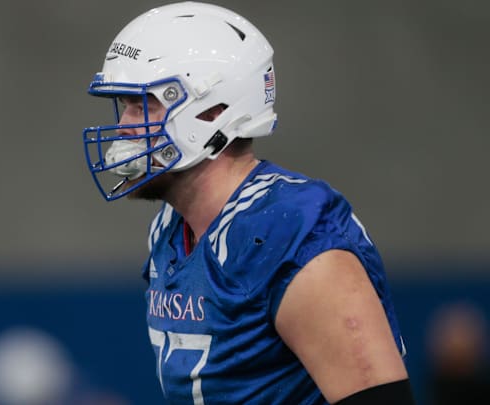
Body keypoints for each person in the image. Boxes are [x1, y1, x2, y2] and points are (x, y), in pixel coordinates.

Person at [81, 2, 414, 404]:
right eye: (124, 107)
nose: (124, 127)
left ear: (212, 110)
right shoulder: (172, 228)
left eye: (142, 104)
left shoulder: (290, 234)